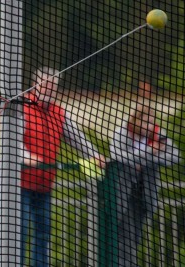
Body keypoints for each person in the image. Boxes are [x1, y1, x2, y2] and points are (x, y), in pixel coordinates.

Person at [21, 66, 105, 267]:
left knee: (44, 231)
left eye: (53, 86)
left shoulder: (59, 112)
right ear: (35, 85)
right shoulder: (22, 108)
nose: (50, 90)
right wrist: (28, 158)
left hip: (44, 185)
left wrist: (95, 155)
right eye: (46, 85)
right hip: (20, 184)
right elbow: (12, 144)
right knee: (19, 231)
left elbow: (77, 139)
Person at [109, 103, 180, 266]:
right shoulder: (123, 132)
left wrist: (148, 159)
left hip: (144, 194)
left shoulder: (157, 134)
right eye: (145, 122)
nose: (148, 126)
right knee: (126, 236)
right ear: (136, 120)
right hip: (124, 192)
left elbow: (175, 156)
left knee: (135, 238)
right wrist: (148, 152)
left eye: (151, 122)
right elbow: (118, 156)